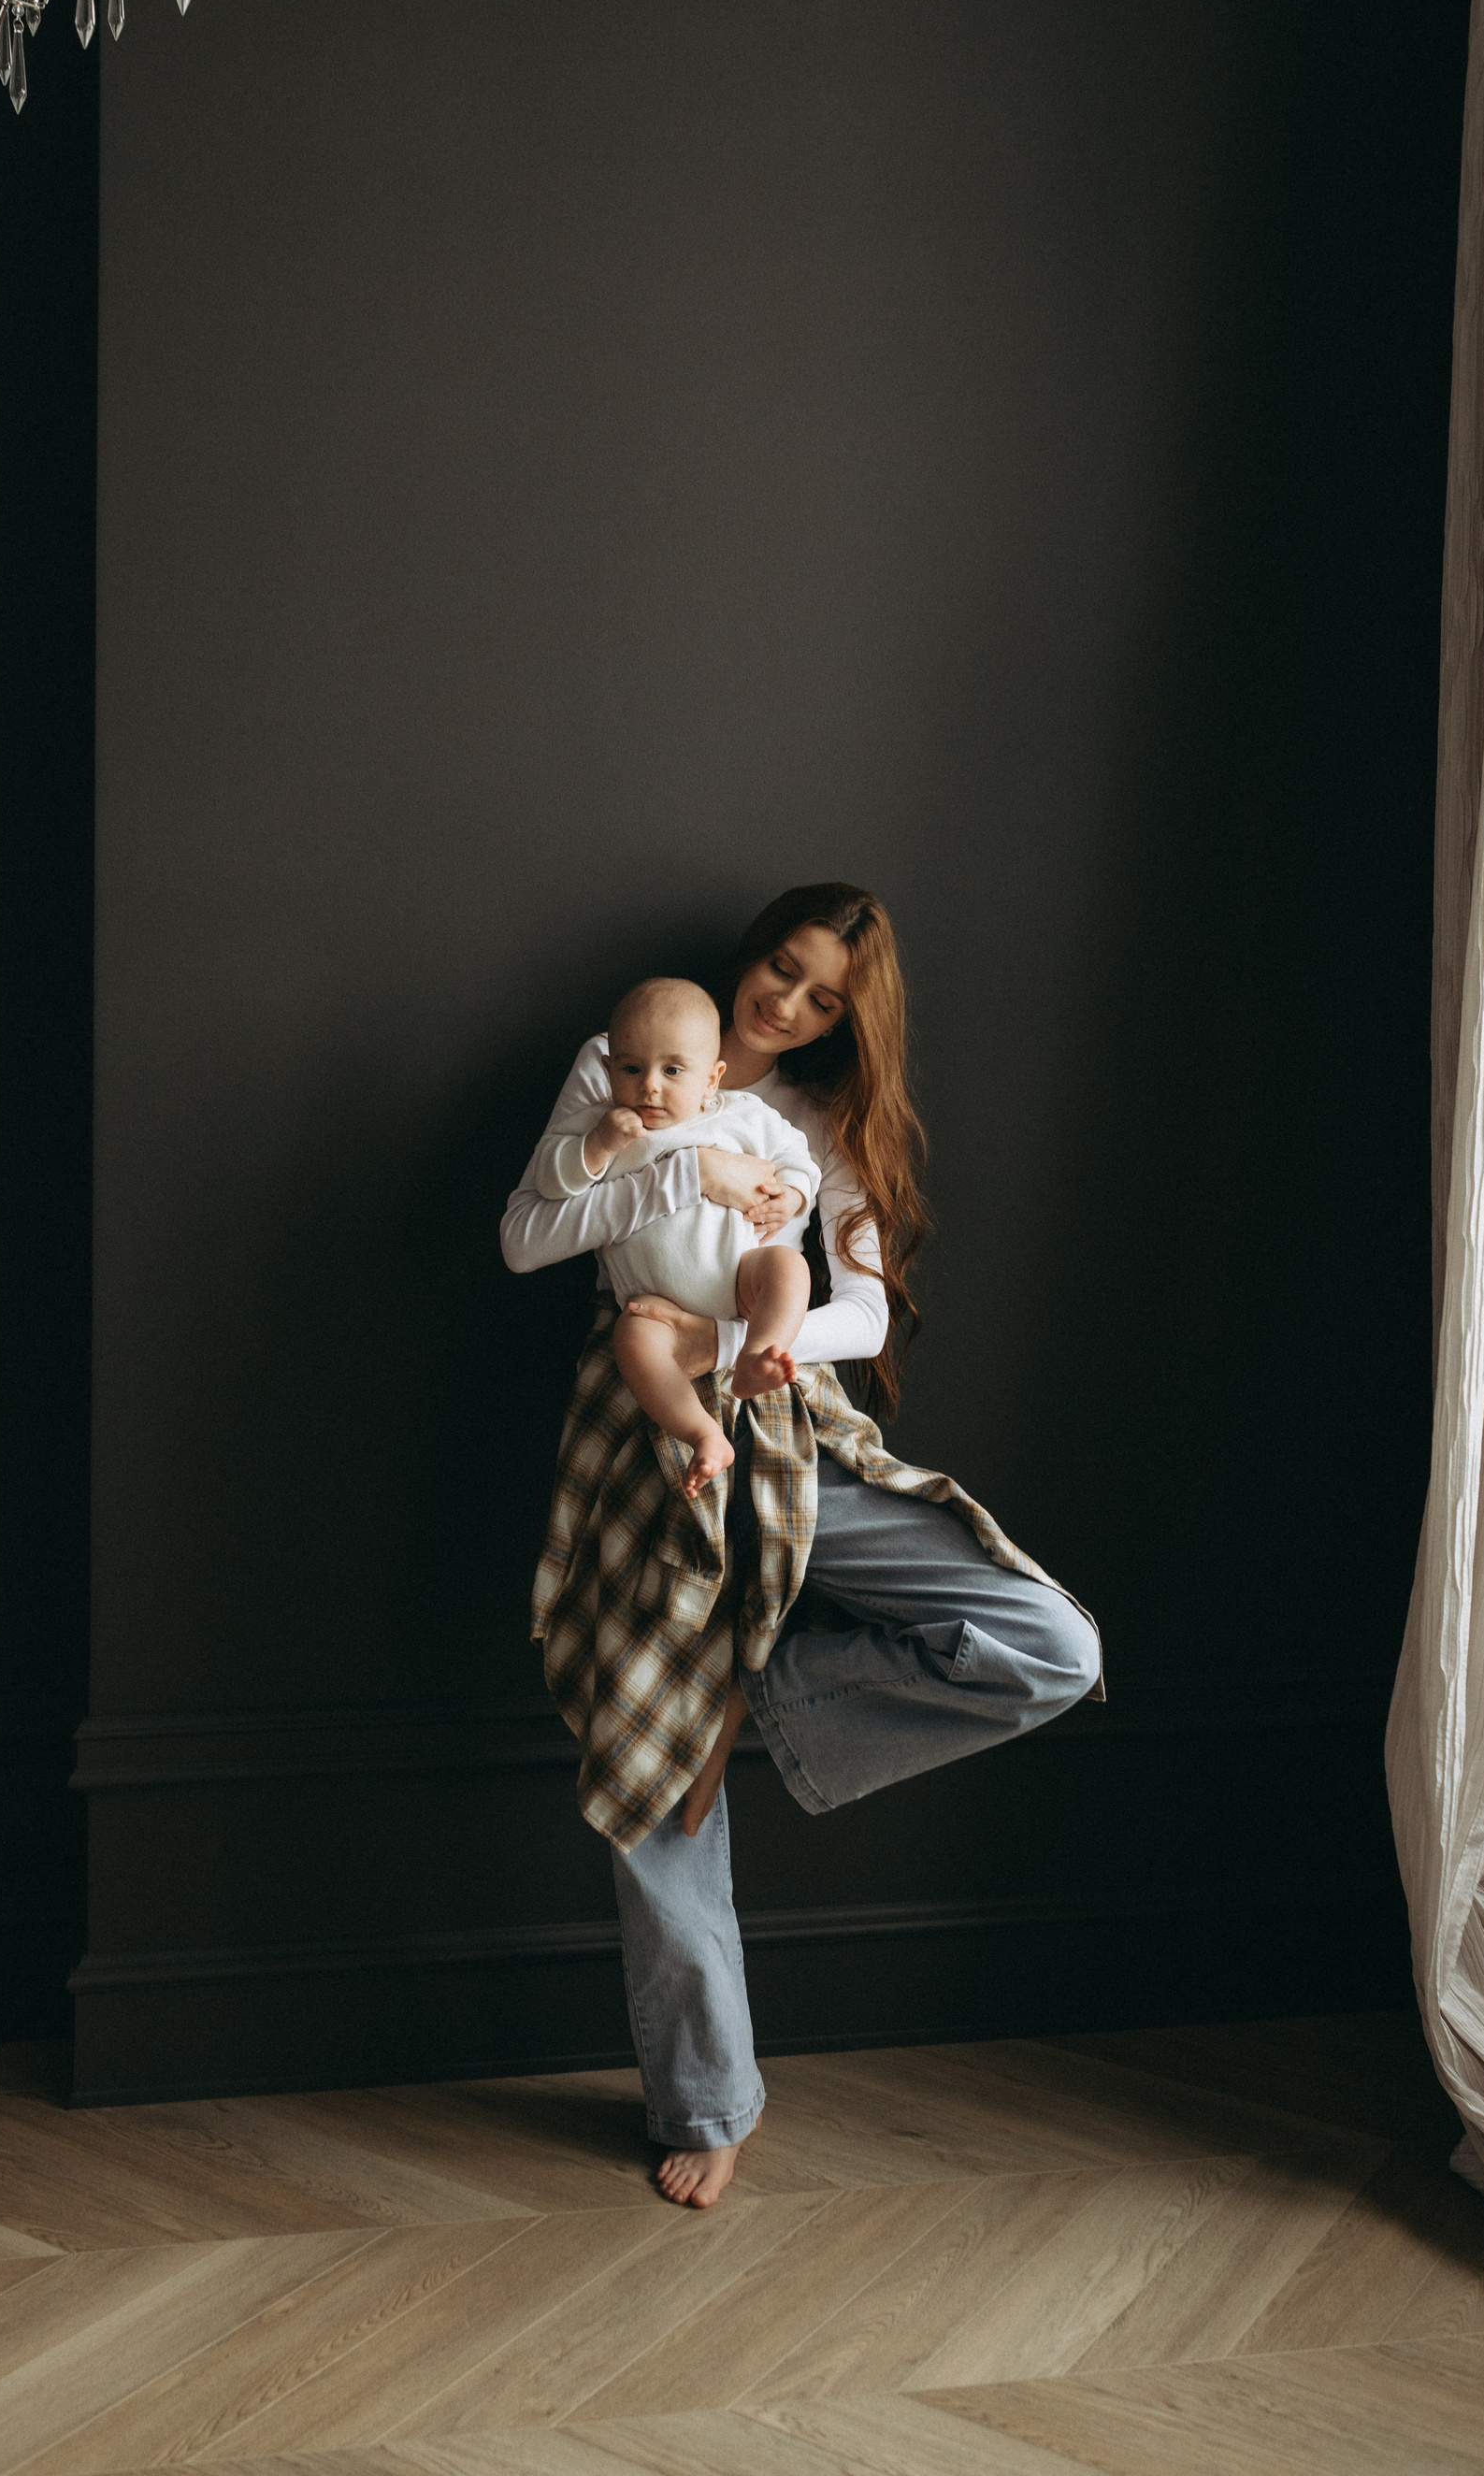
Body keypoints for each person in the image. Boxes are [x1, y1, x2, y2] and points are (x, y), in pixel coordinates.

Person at [500, 883, 1102, 2210]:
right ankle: (707, 2103)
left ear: (846, 1021)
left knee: (1054, 1647)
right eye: (783, 969)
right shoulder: (623, 1065)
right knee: (660, 1785)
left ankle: (757, 1690)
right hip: (650, 1426)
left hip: (786, 1417)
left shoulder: (823, 1125)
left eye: (825, 998)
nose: (788, 1004)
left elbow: (863, 1316)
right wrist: (675, 1167)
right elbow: (531, 1236)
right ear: (753, 953)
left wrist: (731, 1338)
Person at [531, 975, 820, 1495]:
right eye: (631, 1069)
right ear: (608, 1071)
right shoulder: (602, 1124)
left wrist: (794, 1194)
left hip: (739, 1283)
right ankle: (703, 1433)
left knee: (787, 1268)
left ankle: (758, 1352)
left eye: (672, 1071)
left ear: (712, 1078)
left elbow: (798, 1156)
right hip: (653, 1308)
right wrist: (598, 1146)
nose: (650, 1086)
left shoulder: (744, 1116)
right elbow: (551, 1181)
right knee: (632, 1342)